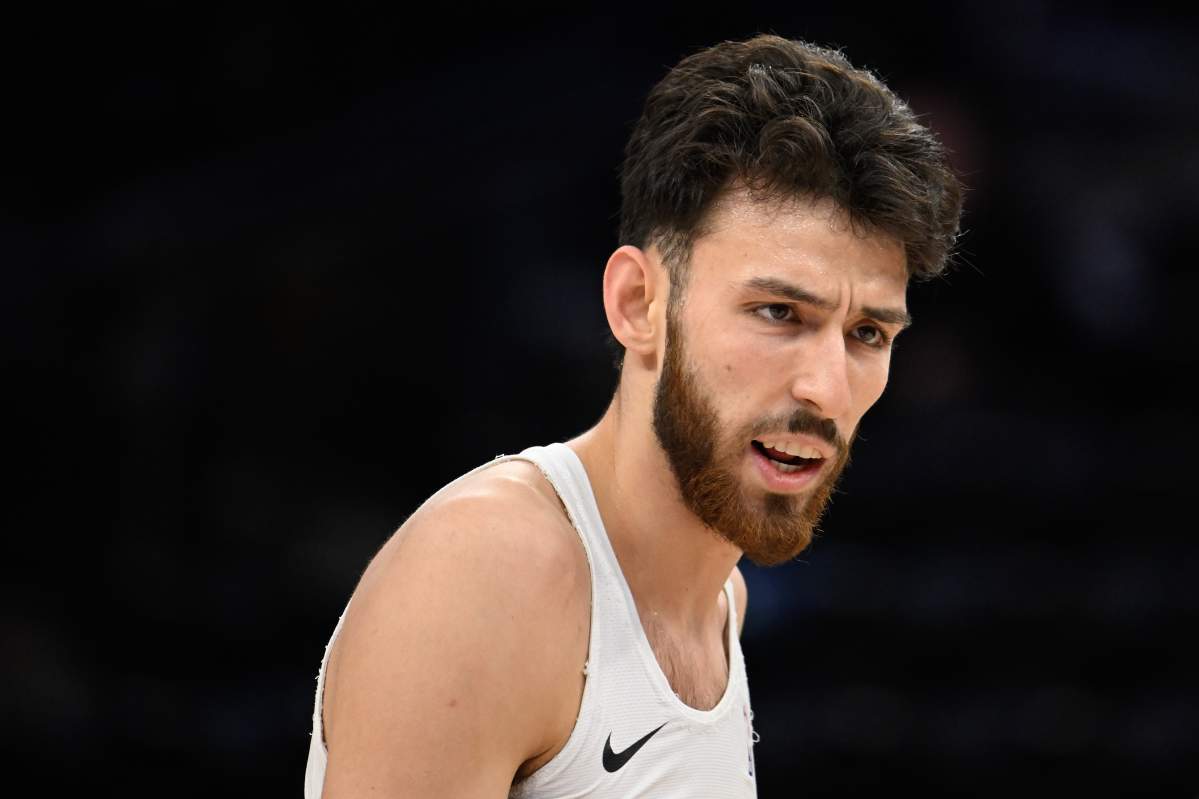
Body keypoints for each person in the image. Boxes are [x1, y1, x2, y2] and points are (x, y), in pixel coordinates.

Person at [304, 33, 962, 798]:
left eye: (867, 333)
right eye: (778, 312)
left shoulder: (721, 602)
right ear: (637, 303)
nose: (826, 388)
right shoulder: (492, 570)